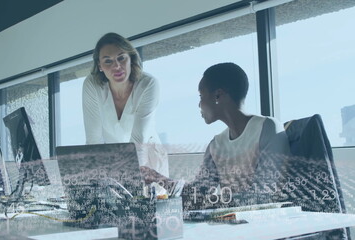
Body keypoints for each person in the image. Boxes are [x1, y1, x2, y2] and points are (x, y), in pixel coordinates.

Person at [142, 62, 291, 209]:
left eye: (201, 96)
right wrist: (158, 178)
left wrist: (209, 202)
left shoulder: (268, 128)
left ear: (218, 95)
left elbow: (263, 196)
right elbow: (197, 193)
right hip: (234, 225)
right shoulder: (216, 144)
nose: (199, 105)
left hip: (270, 227)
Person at [82, 32, 168, 176]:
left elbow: (138, 140)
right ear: (100, 65)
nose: (117, 66)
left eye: (121, 58)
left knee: (147, 196)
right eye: (108, 61)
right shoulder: (92, 85)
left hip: (148, 156)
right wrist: (92, 178)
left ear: (131, 59)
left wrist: (129, 178)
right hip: (112, 159)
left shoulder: (148, 84)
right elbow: (93, 140)